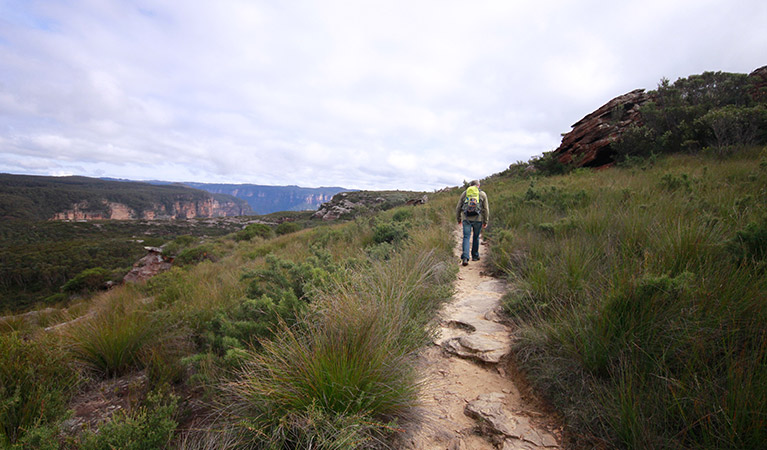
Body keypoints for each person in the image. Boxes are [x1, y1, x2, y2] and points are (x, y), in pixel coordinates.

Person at [456, 180, 489, 266]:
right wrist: (485, 221)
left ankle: (465, 258)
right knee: (476, 237)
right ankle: (475, 256)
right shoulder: (482, 194)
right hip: (478, 219)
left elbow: (458, 207)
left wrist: (459, 219)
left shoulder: (465, 193)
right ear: (478, 185)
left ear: (470, 186)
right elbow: (486, 209)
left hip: (466, 218)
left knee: (466, 237)